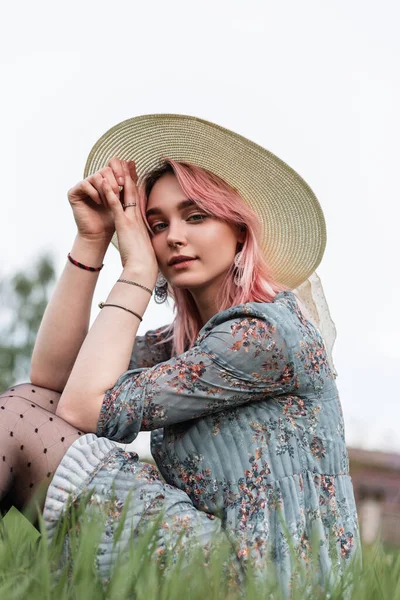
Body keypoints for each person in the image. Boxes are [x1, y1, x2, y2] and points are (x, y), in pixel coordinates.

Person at [0, 115, 360, 592]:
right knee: (24, 402)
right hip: (223, 558)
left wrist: (138, 269)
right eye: (156, 224)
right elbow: (51, 382)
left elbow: (80, 408)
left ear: (238, 230)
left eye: (195, 216)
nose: (172, 236)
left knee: (14, 420)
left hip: (266, 580)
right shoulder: (182, 345)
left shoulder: (262, 336)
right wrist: (92, 239)